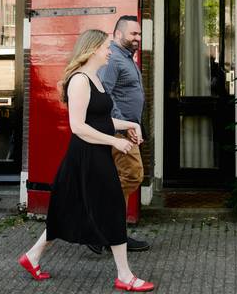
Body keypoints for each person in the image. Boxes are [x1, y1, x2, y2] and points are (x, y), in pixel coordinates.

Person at [17, 29, 155, 292]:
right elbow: (78, 127)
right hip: (86, 156)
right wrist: (115, 141)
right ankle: (124, 276)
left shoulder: (95, 78)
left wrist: (128, 125)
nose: (110, 51)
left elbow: (100, 120)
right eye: (106, 47)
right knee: (113, 207)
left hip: (95, 153)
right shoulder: (80, 80)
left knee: (68, 210)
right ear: (92, 50)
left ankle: (32, 256)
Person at [87, 15, 150, 254]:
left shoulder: (126, 58)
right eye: (134, 34)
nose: (138, 38)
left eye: (139, 34)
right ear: (119, 34)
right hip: (119, 131)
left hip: (128, 129)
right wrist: (125, 126)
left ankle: (113, 232)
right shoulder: (113, 59)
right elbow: (105, 95)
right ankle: (100, 227)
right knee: (132, 175)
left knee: (122, 178)